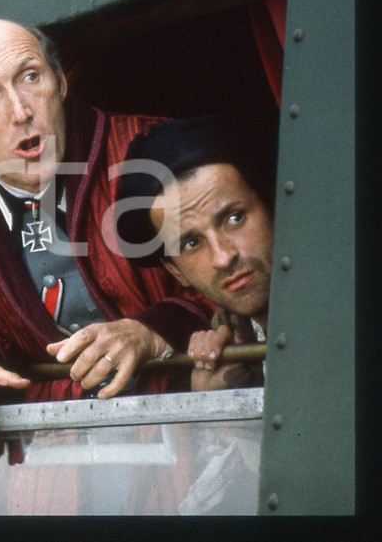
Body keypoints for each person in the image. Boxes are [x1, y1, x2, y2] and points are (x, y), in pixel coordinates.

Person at [0, 19, 211, 463]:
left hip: (187, 437)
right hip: (61, 458)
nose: (20, 111)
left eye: (30, 77)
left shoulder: (153, 151)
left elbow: (242, 277)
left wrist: (152, 331)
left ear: (60, 80)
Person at [116, 113, 275, 391]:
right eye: (191, 243)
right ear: (176, 270)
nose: (223, 257)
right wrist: (213, 408)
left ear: (272, 208)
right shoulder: (226, 333)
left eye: (234, 218)